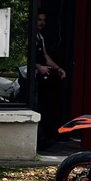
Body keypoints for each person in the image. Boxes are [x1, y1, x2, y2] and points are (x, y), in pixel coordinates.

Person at [34, 10, 66, 150]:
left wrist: (58, 68)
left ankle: (44, 138)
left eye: (44, 20)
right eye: (39, 19)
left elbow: (45, 55)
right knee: (34, 107)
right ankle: (40, 141)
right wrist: (38, 67)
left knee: (43, 106)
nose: (42, 22)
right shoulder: (29, 37)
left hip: (41, 78)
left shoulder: (40, 37)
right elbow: (26, 56)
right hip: (30, 78)